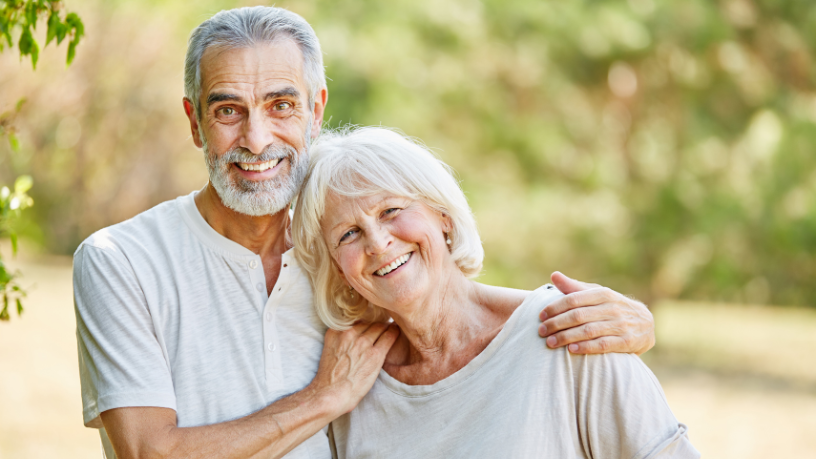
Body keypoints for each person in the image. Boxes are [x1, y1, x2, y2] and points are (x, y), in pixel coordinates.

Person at [73, 6, 656, 459]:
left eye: (281, 105)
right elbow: (150, 452)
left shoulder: (344, 251)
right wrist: (322, 399)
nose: (255, 139)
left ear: (316, 109)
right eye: (228, 111)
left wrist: (596, 317)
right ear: (194, 120)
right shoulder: (120, 261)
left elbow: (448, 307)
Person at [292, 126, 699, 458]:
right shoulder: (352, 387)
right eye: (349, 233)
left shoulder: (571, 330)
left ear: (444, 219)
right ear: (339, 271)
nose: (378, 243)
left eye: (391, 211)